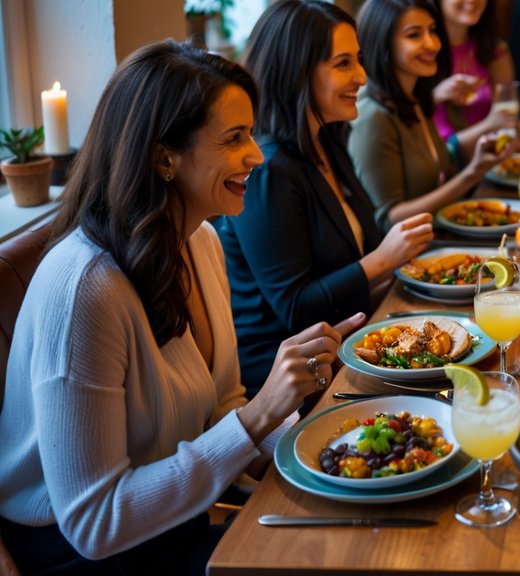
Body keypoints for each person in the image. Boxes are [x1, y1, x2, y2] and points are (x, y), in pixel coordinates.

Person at [0, 41, 364, 575]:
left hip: (176, 522)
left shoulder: (200, 241)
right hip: (87, 557)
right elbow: (95, 523)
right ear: (163, 155)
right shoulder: (84, 289)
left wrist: (333, 447)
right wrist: (261, 414)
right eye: (234, 138)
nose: (257, 155)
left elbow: (222, 406)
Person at [216, 0, 433, 397]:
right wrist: (384, 259)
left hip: (346, 344)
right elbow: (295, 308)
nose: (362, 76)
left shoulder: (327, 142)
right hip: (290, 382)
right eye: (343, 63)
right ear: (298, 72)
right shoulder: (268, 170)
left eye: (359, 60)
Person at [348, 0, 509, 229]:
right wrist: (471, 175)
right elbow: (390, 218)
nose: (432, 43)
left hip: (438, 235)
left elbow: (436, 166)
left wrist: (479, 152)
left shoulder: (416, 100)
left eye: (433, 31)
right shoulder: (373, 116)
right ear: (383, 44)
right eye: (414, 35)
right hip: (407, 260)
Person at [416, 0, 519, 156]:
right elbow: (436, 147)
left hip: (491, 164)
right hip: (440, 170)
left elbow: (508, 126)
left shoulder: (495, 51)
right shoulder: (419, 53)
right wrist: (491, 124)